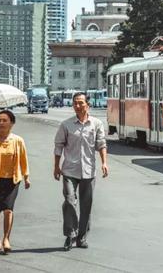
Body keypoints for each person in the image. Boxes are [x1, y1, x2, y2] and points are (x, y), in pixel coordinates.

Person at [54, 92, 108, 251]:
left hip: (89, 171)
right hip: (69, 170)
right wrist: (56, 166)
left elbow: (101, 144)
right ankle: (71, 234)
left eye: (80, 103)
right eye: (75, 103)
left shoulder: (96, 124)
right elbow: (58, 146)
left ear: (87, 105)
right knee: (70, 201)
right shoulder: (66, 125)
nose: (77, 106)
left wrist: (104, 163)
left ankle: (81, 237)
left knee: (86, 206)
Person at [0, 110, 30, 253]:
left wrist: (27, 177)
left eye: (4, 120)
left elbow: (23, 160)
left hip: (12, 180)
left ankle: (6, 238)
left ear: (12, 123)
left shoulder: (18, 140)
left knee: (8, 210)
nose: (1, 123)